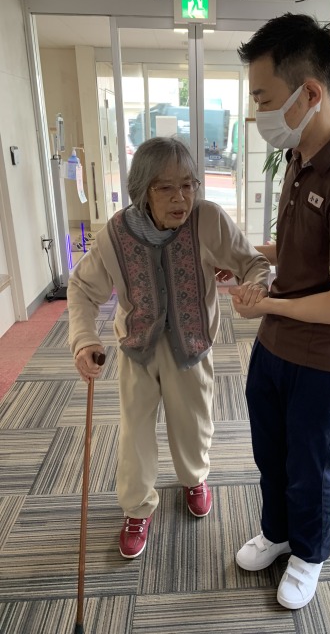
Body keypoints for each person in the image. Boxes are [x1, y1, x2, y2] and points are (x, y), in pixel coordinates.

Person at [229, 14, 330, 610]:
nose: (258, 113)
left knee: (310, 465)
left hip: (323, 361)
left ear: (310, 93)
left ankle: (309, 554)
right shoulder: (298, 157)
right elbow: (298, 249)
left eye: (263, 98)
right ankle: (277, 532)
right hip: (275, 346)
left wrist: (264, 303)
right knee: (270, 455)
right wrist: (245, 257)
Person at [68, 137, 270, 559]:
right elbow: (82, 288)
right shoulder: (115, 234)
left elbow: (253, 262)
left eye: (188, 184)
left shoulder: (208, 219)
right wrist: (85, 340)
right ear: (142, 190)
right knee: (134, 433)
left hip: (191, 345)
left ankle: (194, 478)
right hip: (137, 349)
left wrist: (255, 284)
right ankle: (137, 508)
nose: (181, 198)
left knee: (193, 425)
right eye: (166, 187)